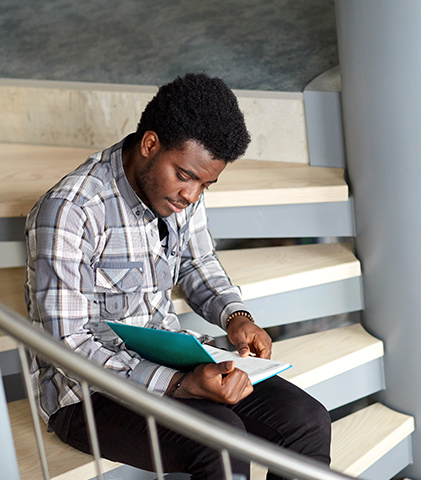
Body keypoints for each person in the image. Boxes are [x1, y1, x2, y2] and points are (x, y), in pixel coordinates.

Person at [25, 73, 331, 480]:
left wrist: (236, 317)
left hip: (172, 359)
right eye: (185, 176)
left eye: (206, 184)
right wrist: (179, 385)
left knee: (307, 422)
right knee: (221, 442)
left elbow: (196, 262)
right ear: (150, 144)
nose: (191, 196)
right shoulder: (72, 210)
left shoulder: (182, 192)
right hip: (87, 392)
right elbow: (69, 347)